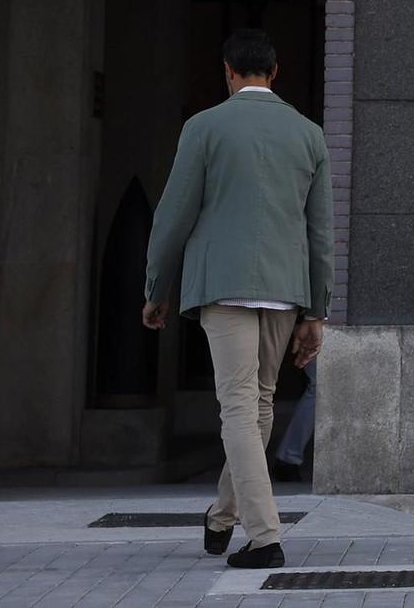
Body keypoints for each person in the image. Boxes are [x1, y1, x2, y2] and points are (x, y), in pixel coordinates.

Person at [142, 29, 332, 570]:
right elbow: (321, 232)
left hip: (222, 287)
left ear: (228, 73)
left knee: (239, 406)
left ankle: (265, 535)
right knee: (260, 403)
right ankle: (223, 515)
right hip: (285, 289)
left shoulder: (203, 128)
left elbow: (172, 217)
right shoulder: (309, 134)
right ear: (275, 73)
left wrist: (156, 289)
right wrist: (317, 311)